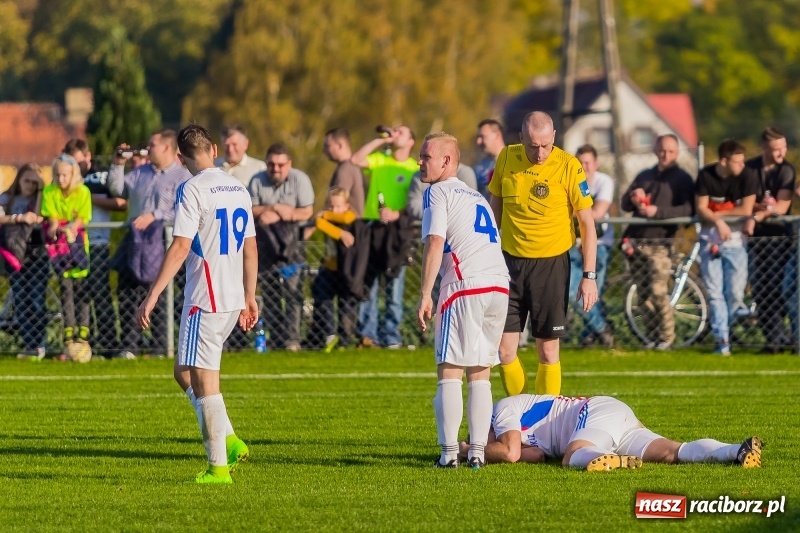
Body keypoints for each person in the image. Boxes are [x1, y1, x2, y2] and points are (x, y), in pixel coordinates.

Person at [136, 124, 258, 484]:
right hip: (231, 297)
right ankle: (230, 440)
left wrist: (153, 293)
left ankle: (218, 468)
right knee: (184, 372)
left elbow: (180, 246)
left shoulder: (191, 188)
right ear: (214, 149)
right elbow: (251, 248)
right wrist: (250, 295)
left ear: (180, 158)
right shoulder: (238, 187)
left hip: (206, 298)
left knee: (206, 383)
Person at [487, 111, 597, 397]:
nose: (539, 153)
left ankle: (545, 417)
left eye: (546, 145)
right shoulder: (506, 158)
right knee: (504, 351)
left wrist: (589, 276)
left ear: (554, 137)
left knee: (547, 351)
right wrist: (485, 252)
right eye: (533, 146)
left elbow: (587, 223)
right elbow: (495, 208)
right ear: (521, 138)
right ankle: (521, 413)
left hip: (551, 266)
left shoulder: (569, 165)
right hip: (508, 265)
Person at [416, 133, 509, 469]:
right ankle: (478, 453)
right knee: (480, 372)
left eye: (426, 156)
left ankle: (448, 454)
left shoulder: (437, 191)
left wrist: (425, 293)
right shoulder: (476, 195)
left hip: (465, 284)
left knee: (449, 370)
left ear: (446, 161)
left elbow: (435, 241)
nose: (420, 162)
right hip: (499, 284)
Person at [467, 393, 762, 470]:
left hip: (594, 411)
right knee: (674, 453)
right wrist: (481, 450)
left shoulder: (502, 409)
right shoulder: (514, 431)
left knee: (572, 457)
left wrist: (467, 450)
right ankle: (737, 450)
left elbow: (508, 452)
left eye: (478, 438)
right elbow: (531, 456)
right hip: (610, 419)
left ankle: (606, 457)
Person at [109, 129, 192, 359]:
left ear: (166, 147)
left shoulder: (183, 177)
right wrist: (117, 165)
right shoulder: (140, 172)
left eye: (152, 145)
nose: (147, 148)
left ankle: (159, 347)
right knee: (128, 293)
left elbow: (184, 210)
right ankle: (130, 346)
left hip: (163, 243)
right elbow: (117, 190)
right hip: (135, 242)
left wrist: (155, 215)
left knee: (160, 295)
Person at [620, 134, 695, 350]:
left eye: (670, 151)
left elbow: (688, 210)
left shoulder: (682, 179)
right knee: (643, 295)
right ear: (655, 150)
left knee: (658, 291)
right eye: (662, 150)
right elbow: (625, 205)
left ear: (677, 153)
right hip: (636, 242)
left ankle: (667, 337)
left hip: (661, 244)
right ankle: (652, 338)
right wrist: (634, 197)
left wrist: (657, 212)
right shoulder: (644, 175)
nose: (665, 155)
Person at [351, 125, 419, 349]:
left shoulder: (413, 168)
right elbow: (355, 160)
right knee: (369, 284)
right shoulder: (380, 159)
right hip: (373, 227)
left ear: (411, 141)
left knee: (394, 286)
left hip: (398, 231)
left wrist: (397, 214)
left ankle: (391, 336)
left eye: (401, 132)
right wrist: (382, 140)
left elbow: (418, 201)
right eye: (394, 131)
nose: (396, 134)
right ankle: (368, 335)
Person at [249, 143, 314, 351]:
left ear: (289, 164)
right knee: (270, 295)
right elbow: (249, 209)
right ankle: (276, 340)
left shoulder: (300, 179)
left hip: (292, 246)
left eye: (280, 165)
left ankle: (292, 340)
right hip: (265, 245)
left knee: (294, 293)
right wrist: (274, 208)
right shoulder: (257, 180)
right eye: (271, 164)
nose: (275, 169)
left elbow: (307, 212)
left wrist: (285, 214)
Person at [696, 140, 758, 356]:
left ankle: (726, 330)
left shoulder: (747, 176)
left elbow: (746, 210)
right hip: (710, 242)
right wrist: (718, 222)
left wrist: (716, 215)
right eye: (737, 161)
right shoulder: (706, 176)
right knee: (715, 294)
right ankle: (722, 340)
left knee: (734, 294)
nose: (742, 165)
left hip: (736, 243)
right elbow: (701, 208)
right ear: (724, 161)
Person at [68, 140, 128, 356]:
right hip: (74, 243)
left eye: (78, 162)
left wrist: (87, 198)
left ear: (88, 156)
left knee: (100, 291)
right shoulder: (66, 177)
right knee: (77, 293)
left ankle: (109, 342)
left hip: (97, 241)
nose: (74, 167)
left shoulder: (101, 176)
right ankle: (82, 341)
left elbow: (122, 203)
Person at [742, 127, 797, 354]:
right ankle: (772, 339)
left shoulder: (787, 170)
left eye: (784, 147)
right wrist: (761, 208)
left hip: (780, 237)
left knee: (779, 288)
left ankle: (785, 338)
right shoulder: (750, 169)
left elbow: (782, 207)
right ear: (764, 148)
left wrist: (756, 214)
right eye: (776, 149)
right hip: (755, 238)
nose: (782, 153)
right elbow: (742, 201)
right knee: (760, 289)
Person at [41, 154, 93, 357]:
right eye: (57, 175)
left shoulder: (83, 191)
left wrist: (72, 226)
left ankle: (84, 329)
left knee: (82, 289)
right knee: (66, 289)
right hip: (59, 247)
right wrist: (55, 225)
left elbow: (83, 217)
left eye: (65, 175)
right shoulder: (49, 191)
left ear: (73, 175)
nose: (61, 179)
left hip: (77, 244)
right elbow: (51, 215)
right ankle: (69, 330)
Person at [569, 145, 615, 347]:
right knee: (572, 290)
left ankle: (590, 335)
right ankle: (602, 328)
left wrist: (571, 211)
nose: (584, 167)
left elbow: (596, 213)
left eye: (587, 163)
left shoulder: (604, 182)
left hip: (599, 244)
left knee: (593, 293)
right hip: (573, 244)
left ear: (595, 164)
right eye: (580, 163)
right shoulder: (570, 181)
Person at [0, 164, 47, 359]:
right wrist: (19, 218)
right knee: (21, 300)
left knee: (36, 299)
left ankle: (40, 344)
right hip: (14, 255)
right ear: (18, 179)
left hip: (37, 254)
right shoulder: (7, 198)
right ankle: (29, 345)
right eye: (26, 180)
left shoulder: (41, 198)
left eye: (34, 182)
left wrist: (42, 189)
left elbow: (43, 216)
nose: (30, 185)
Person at [306, 188, 358, 351]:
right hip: (328, 267)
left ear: (346, 206)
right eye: (330, 206)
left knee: (346, 305)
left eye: (338, 206)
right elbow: (318, 222)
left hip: (346, 270)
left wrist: (326, 216)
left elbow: (346, 217)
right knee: (323, 300)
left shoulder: (349, 218)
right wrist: (340, 233)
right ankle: (328, 334)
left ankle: (344, 339)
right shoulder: (327, 221)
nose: (333, 210)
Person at [406, 163, 478, 221]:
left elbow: (469, 208)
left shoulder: (465, 173)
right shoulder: (418, 176)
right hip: (425, 226)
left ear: (446, 159)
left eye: (427, 157)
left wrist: (438, 215)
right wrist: (440, 216)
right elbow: (413, 206)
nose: (420, 162)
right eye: (421, 156)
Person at [323, 128, 365, 217]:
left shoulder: (345, 169)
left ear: (339, 146)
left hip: (345, 223)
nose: (324, 150)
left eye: (327, 146)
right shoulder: (351, 167)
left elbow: (336, 203)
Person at [474, 119, 506, 199]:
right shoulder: (478, 167)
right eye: (478, 137)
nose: (478, 141)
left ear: (497, 135)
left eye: (482, 136)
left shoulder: (512, 161)